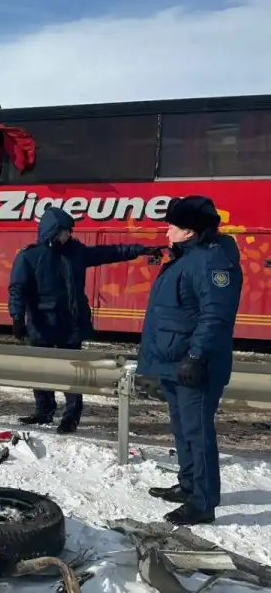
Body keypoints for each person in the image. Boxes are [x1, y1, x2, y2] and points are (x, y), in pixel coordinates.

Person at [8, 206, 163, 433]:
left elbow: (110, 252)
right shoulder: (30, 256)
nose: (69, 235)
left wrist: (141, 249)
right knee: (41, 371)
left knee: (73, 373)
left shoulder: (76, 252)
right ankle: (43, 411)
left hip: (70, 325)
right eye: (64, 231)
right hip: (41, 325)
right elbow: (17, 289)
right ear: (52, 231)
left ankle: (71, 417)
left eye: (69, 231)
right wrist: (16, 317)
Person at [138, 196, 242, 526]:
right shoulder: (187, 258)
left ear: (189, 231)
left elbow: (216, 315)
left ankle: (203, 502)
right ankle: (188, 486)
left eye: (172, 227)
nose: (166, 233)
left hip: (195, 365)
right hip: (174, 363)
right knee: (183, 431)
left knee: (197, 433)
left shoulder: (211, 261)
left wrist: (196, 357)